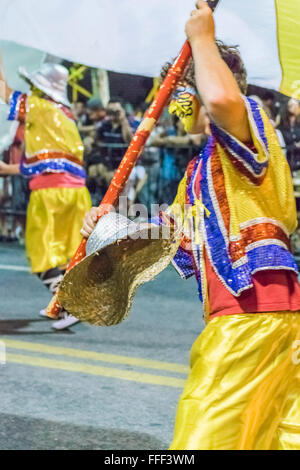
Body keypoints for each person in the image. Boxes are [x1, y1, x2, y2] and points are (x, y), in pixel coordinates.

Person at [80, 1, 300, 450]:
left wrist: (202, 38)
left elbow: (220, 100)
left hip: (251, 319)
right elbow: (164, 233)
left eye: (182, 93)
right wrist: (108, 226)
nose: (178, 105)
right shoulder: (201, 168)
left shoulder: (249, 118)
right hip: (265, 320)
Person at [0, 60, 91, 330]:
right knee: (67, 254)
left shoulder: (38, 108)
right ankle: (66, 304)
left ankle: (66, 305)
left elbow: (3, 90)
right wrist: (9, 169)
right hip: (76, 194)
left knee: (41, 253)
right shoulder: (67, 117)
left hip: (51, 195)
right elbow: (52, 162)